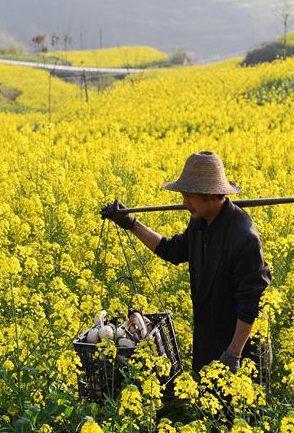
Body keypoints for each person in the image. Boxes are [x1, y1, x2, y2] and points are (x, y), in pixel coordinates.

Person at [100, 151, 272, 376]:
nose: (184, 203)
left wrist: (233, 354)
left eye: (188, 196)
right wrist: (131, 223)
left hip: (240, 352)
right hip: (209, 339)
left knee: (237, 411)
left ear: (209, 194)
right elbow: (172, 250)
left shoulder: (243, 238)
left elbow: (251, 306)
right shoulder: (201, 222)